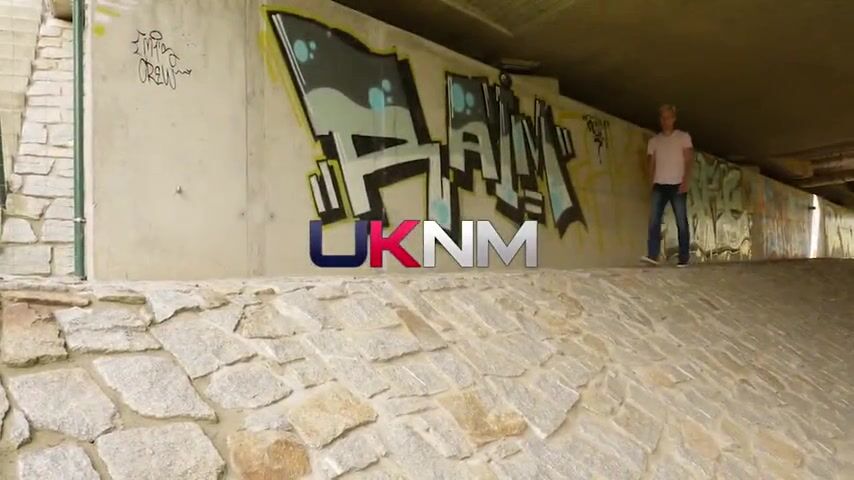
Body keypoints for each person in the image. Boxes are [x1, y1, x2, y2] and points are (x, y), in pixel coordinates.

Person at [641, 104, 694, 267]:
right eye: (663, 118)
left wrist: (686, 180)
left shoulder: (683, 137)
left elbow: (689, 160)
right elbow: (651, 164)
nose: (665, 121)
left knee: (681, 221)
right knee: (654, 220)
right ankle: (652, 255)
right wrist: (650, 183)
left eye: (668, 118)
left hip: (677, 184)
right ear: (660, 120)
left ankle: (684, 257)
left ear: (674, 119)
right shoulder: (654, 141)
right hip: (659, 184)